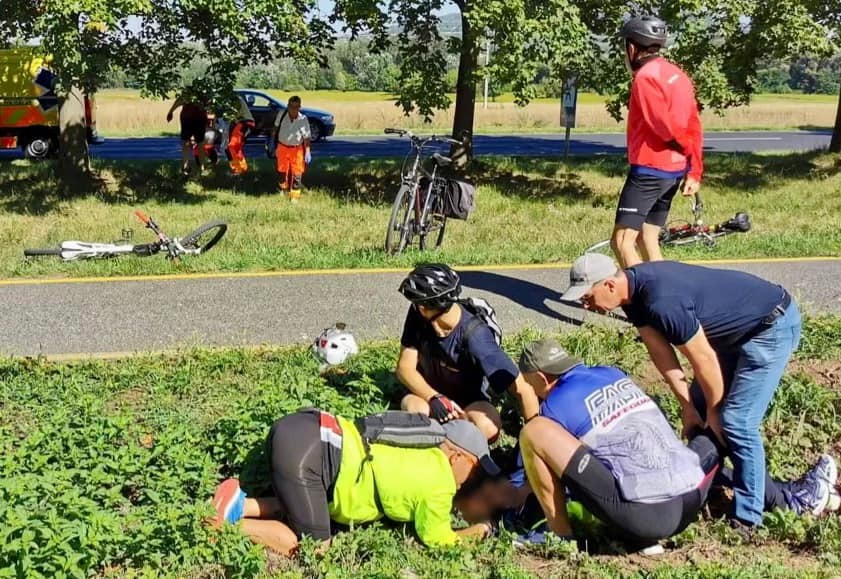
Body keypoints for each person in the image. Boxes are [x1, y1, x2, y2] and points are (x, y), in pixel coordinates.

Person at [461, 339, 838, 547]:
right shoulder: (610, 373)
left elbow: (548, 474)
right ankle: (788, 497)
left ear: (541, 378)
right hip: (692, 493)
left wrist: (514, 496)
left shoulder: (553, 408)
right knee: (706, 436)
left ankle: (557, 537)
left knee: (535, 433)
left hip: (648, 517)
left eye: (529, 384)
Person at [561, 253, 809, 532]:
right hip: (731, 336)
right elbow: (660, 352)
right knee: (701, 418)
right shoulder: (631, 295)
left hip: (768, 328)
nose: (586, 304)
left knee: (736, 422)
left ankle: (748, 518)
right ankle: (729, 485)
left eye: (587, 296)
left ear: (608, 284)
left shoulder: (662, 301)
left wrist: (715, 412)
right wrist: (688, 407)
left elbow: (703, 359)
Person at [209, 409, 498, 555]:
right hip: (315, 456)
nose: (470, 481)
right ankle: (222, 526)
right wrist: (477, 531)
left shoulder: (414, 442)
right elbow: (438, 539)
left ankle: (240, 504)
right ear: (456, 457)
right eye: (474, 470)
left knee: (305, 506)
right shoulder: (440, 482)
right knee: (314, 547)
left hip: (305, 427)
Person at [396, 264, 540, 441]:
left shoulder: (476, 337)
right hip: (426, 396)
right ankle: (441, 441)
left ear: (426, 307)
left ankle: (451, 441)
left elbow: (523, 390)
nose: (415, 307)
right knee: (417, 413)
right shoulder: (418, 315)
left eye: (417, 304)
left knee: (488, 427)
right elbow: (405, 368)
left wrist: (534, 440)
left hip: (468, 403)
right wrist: (433, 397)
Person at [612, 15, 703, 269]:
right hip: (674, 172)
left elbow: (664, 127)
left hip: (649, 170)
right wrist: (694, 168)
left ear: (631, 48)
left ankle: (643, 302)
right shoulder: (676, 74)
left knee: (621, 241)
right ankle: (665, 298)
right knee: (647, 237)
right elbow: (693, 124)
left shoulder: (645, 78)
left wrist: (683, 150)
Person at [272, 95, 311, 201]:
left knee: (297, 172)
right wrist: (272, 142)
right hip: (282, 147)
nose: (294, 109)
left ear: (299, 107)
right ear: (288, 106)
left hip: (297, 149)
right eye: (291, 107)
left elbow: (306, 137)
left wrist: (307, 151)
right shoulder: (281, 114)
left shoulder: (303, 119)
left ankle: (294, 196)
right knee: (282, 171)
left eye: (296, 107)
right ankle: (283, 190)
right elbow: (275, 128)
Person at [166, 92, 209, 176]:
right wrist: (170, 111)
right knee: (197, 143)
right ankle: (198, 167)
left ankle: (190, 167)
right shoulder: (203, 93)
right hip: (194, 119)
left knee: (190, 143)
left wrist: (170, 111)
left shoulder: (189, 93)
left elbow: (179, 101)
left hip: (190, 119)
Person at [226, 95, 256, 175]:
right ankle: (243, 168)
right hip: (244, 123)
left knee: (232, 146)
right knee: (237, 148)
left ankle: (237, 170)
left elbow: (234, 114)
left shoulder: (236, 99)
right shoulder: (234, 99)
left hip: (245, 123)